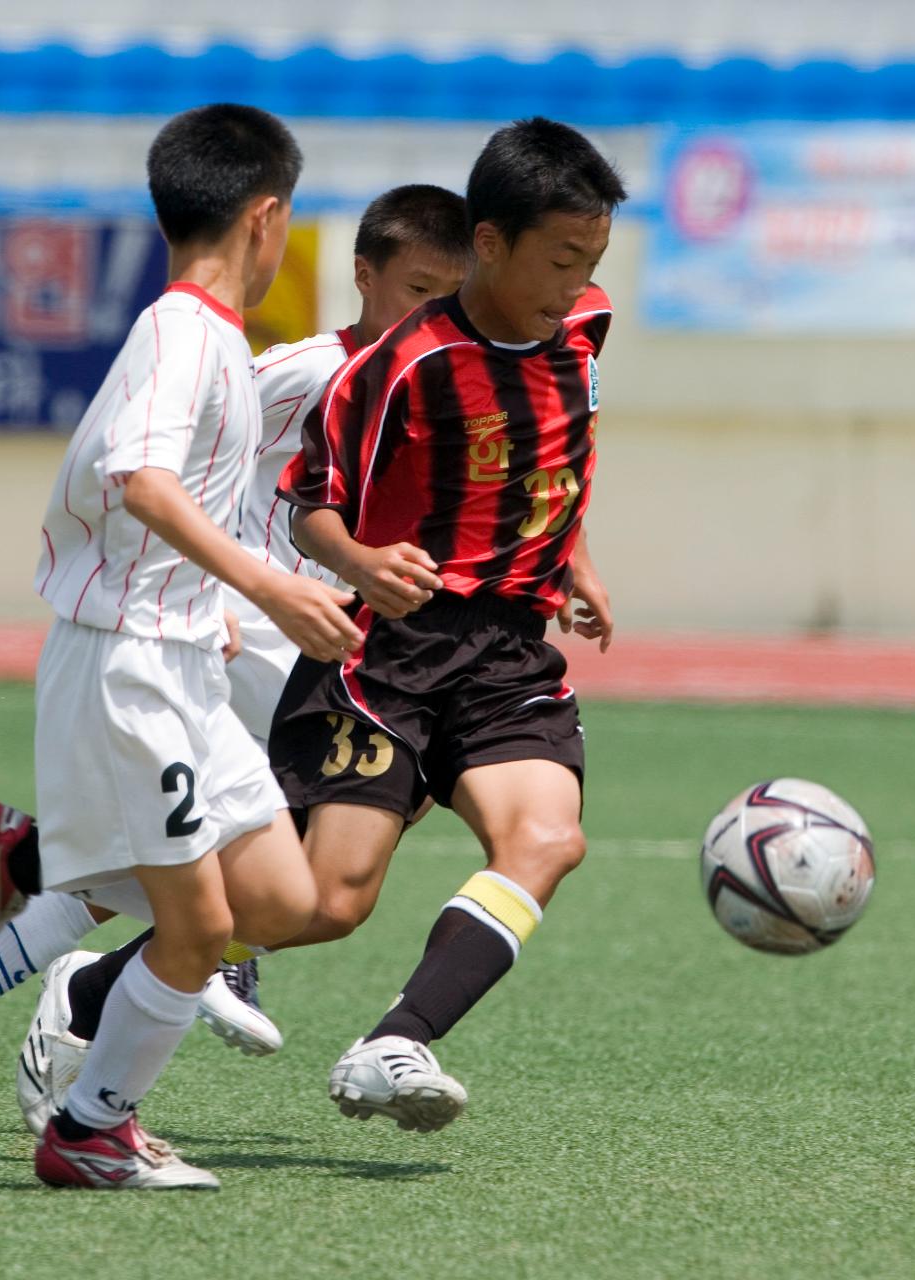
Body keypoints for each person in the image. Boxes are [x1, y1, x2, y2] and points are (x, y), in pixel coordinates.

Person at [3, 184, 472, 1130]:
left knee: (311, 881)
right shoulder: (296, 368)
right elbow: (168, 471)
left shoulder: (449, 381)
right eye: (413, 290)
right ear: (363, 273)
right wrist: (223, 591)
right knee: (259, 872)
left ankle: (115, 965)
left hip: (339, 640)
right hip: (255, 634)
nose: (428, 315)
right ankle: (115, 962)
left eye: (446, 296)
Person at [21, 102, 362, 1190]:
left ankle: (8, 859)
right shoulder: (182, 332)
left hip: (177, 661)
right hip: (128, 664)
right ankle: (89, 1128)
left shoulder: (211, 339)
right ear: (268, 219)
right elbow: (143, 480)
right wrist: (264, 584)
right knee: (201, 923)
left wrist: (205, 599)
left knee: (279, 904)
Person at [266, 115, 625, 1132]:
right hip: (393, 649)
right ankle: (98, 983)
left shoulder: (586, 329)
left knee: (548, 836)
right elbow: (310, 499)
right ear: (488, 242)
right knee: (327, 901)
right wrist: (361, 563)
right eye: (558, 259)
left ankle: (399, 1037)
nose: (573, 285)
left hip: (508, 648)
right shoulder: (404, 364)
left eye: (590, 261)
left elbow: (558, 453)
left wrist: (575, 559)